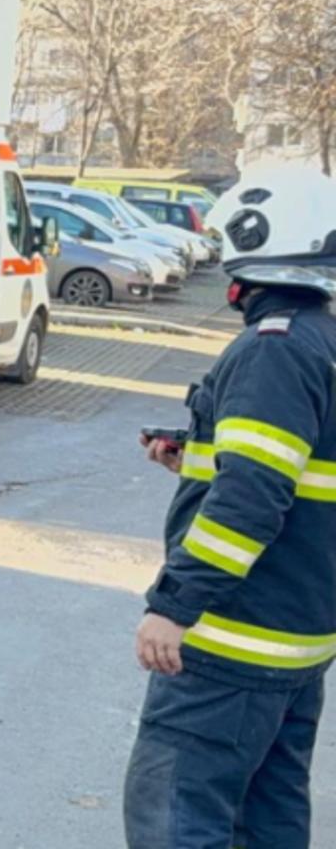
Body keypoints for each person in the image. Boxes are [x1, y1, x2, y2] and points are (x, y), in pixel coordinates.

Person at [124, 169, 336, 849]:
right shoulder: (321, 344)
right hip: (298, 640)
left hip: (232, 642)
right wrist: (196, 455)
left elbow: (253, 498)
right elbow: (297, 472)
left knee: (175, 820)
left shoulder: (272, 350)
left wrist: (175, 603)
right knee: (268, 820)